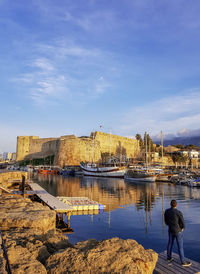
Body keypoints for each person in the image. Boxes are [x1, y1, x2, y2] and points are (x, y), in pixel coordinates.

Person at [164, 199, 191, 267]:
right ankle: (183, 261)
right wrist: (182, 228)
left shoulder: (167, 211)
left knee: (170, 244)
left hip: (170, 230)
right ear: (176, 205)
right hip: (177, 231)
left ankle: (169, 258)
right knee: (180, 246)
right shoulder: (178, 212)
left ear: (170, 204)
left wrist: (168, 224)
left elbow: (166, 221)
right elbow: (182, 222)